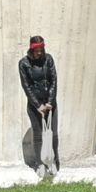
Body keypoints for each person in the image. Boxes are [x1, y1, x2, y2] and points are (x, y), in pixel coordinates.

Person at [18, 35, 59, 177]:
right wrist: (38, 105)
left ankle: (53, 161)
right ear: (32, 50)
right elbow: (26, 86)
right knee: (38, 136)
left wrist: (50, 102)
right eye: (37, 50)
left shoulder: (49, 59)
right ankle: (40, 163)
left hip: (50, 103)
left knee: (53, 134)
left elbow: (53, 80)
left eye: (42, 49)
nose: (40, 53)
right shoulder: (24, 64)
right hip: (35, 105)